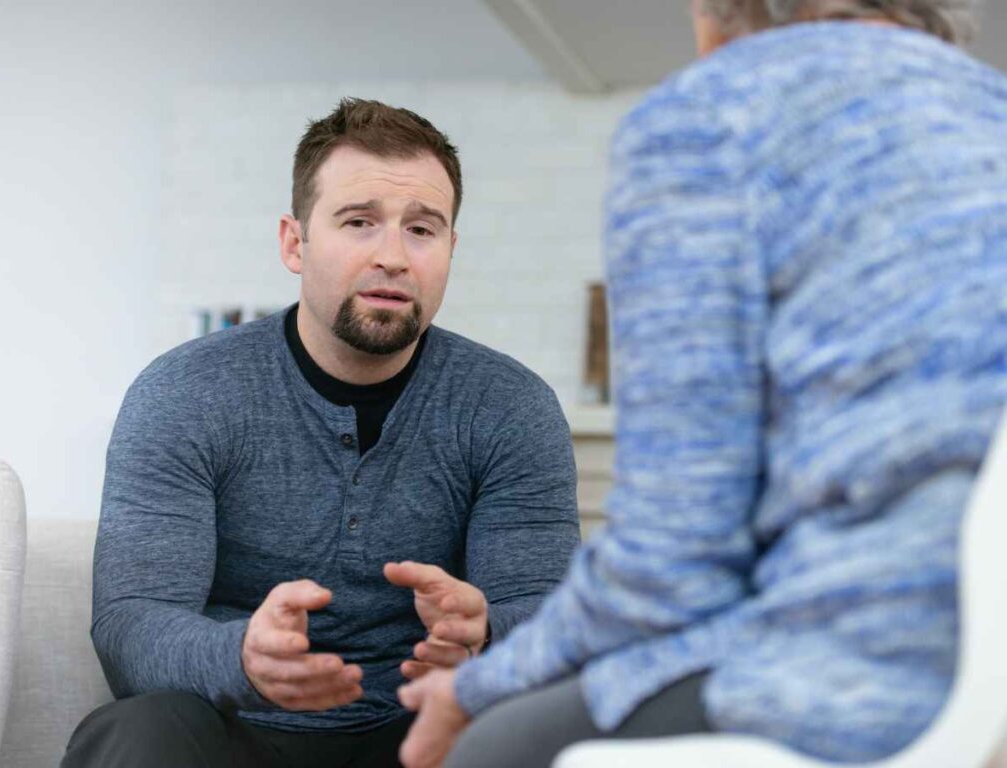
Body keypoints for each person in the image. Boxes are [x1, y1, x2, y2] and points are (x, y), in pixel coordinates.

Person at [396, 1, 1007, 766]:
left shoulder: (714, 118)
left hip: (865, 681)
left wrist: (477, 688)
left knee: (494, 749)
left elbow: (668, 569)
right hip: (989, 683)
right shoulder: (993, 109)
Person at [61, 98, 580, 768]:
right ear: (294, 242)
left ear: (451, 248)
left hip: (426, 734)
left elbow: (551, 621)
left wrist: (486, 630)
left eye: (422, 229)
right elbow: (134, 623)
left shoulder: (512, 407)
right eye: (359, 222)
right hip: (232, 725)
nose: (393, 255)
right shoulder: (184, 393)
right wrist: (244, 656)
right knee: (137, 730)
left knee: (537, 729)